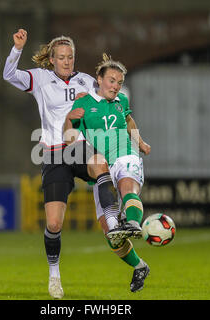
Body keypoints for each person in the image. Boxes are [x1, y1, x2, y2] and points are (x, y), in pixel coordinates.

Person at [3, 30, 119, 299]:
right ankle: (54, 275)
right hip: (55, 154)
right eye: (62, 58)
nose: (67, 62)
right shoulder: (41, 79)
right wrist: (17, 50)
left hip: (79, 148)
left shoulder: (87, 81)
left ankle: (114, 219)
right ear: (52, 60)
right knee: (54, 223)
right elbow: (9, 75)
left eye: (70, 57)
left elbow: (109, 102)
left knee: (101, 163)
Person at [64, 53, 151, 292]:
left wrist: (140, 142)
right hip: (102, 165)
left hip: (126, 154)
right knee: (110, 233)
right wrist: (69, 119)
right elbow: (68, 137)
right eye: (111, 80)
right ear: (99, 79)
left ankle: (132, 222)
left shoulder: (121, 100)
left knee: (127, 188)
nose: (116, 86)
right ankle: (140, 265)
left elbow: (129, 121)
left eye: (119, 82)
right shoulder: (83, 103)